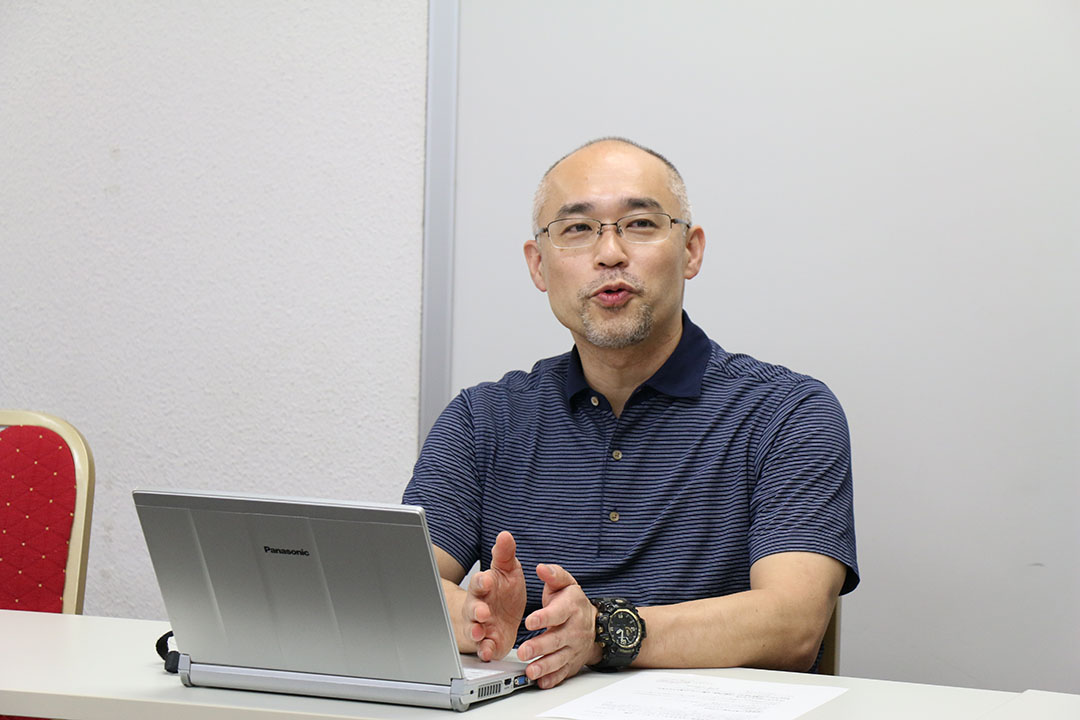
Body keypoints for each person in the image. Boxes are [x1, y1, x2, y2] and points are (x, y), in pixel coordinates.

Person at [403, 137, 858, 690]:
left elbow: (793, 624)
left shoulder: (788, 412)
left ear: (690, 251)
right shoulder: (483, 419)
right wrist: (477, 622)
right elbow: (394, 589)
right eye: (577, 228)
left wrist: (601, 632)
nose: (610, 253)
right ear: (539, 265)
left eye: (640, 224)